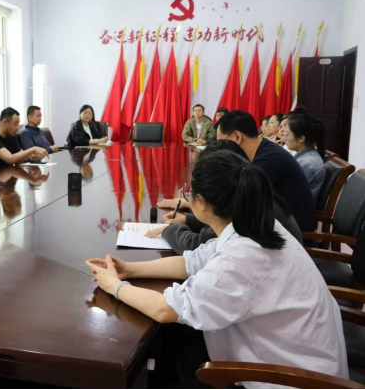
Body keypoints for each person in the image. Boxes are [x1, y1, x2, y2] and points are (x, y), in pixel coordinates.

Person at [86, 151, 348, 389]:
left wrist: (115, 286)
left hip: (291, 378)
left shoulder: (242, 255)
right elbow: (191, 261)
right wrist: (129, 269)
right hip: (291, 356)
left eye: (189, 192)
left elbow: (165, 310)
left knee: (167, 361)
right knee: (176, 349)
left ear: (201, 203)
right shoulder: (254, 223)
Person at [147, 140, 303, 253]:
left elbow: (195, 246)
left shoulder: (240, 214)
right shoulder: (250, 192)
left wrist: (170, 229)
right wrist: (188, 219)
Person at [217, 111, 317, 232]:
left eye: (221, 142)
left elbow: (241, 202)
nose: (220, 149)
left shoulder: (269, 160)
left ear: (237, 137)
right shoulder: (263, 150)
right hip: (274, 223)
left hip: (291, 233)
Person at [0, 107, 48, 173]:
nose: (18, 128)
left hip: (4, 174)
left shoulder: (11, 135)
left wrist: (31, 157)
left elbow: (20, 154)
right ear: (4, 122)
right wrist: (33, 149)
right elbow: (10, 159)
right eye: (15, 124)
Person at [285, 114, 327, 201]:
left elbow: (288, 193)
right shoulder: (306, 156)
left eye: (287, 134)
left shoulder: (308, 163)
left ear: (301, 138)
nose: (285, 138)